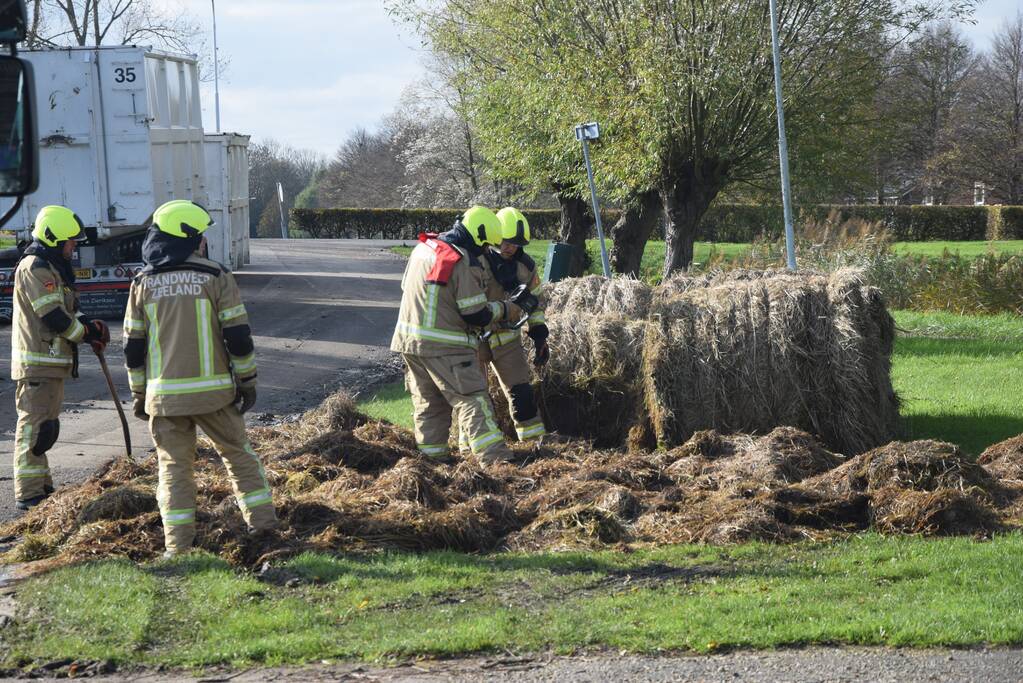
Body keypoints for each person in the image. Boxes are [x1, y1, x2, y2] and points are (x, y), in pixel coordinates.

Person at [123, 200, 276, 558]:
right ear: (191, 238)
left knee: (174, 468)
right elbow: (238, 337)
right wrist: (248, 381)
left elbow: (133, 347)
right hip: (216, 396)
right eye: (201, 234)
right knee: (239, 457)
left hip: (164, 398)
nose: (205, 241)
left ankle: (177, 548)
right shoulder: (216, 276)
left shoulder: (142, 282)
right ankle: (264, 528)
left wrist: (138, 393)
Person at [390, 206, 525, 463]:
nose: (485, 251)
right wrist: (507, 308)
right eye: (484, 245)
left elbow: (405, 287)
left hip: (409, 342)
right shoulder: (461, 259)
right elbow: (475, 313)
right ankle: (495, 459)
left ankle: (433, 460)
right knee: (473, 399)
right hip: (446, 346)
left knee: (430, 403)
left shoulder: (423, 248)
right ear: (477, 235)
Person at [10, 206, 109, 510]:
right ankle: (28, 494)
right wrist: (84, 334)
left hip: (50, 365)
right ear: (53, 238)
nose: (73, 247)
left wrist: (90, 326)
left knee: (46, 430)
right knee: (34, 428)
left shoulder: (52, 268)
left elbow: (68, 310)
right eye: (70, 242)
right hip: (37, 363)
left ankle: (42, 487)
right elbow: (53, 316)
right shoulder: (36, 267)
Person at [476, 207, 549, 443]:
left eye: (516, 244)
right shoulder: (478, 261)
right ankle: (473, 450)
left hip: (507, 338)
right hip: (475, 339)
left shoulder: (526, 267)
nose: (510, 248)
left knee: (522, 393)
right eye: (506, 242)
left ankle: (534, 444)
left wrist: (539, 336)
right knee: (476, 397)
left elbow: (535, 303)